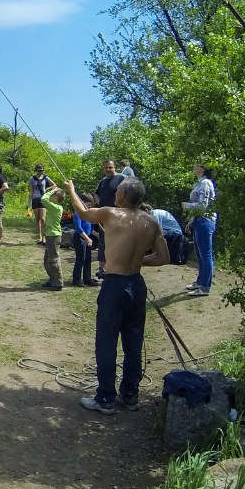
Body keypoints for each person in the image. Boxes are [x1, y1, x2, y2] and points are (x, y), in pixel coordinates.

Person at [67, 175, 169, 415]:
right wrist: (136, 260)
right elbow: (164, 257)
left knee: (107, 341)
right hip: (137, 284)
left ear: (122, 195)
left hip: (115, 286)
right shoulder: (151, 221)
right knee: (133, 342)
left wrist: (71, 189)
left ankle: (105, 398)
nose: (114, 195)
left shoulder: (111, 213)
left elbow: (83, 213)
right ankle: (130, 395)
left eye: (117, 192)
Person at [182, 164, 217, 297]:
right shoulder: (199, 183)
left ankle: (205, 287)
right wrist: (190, 222)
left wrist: (186, 205)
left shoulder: (206, 183)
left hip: (205, 221)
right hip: (199, 221)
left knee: (206, 255)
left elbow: (202, 206)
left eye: (197, 166)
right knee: (200, 255)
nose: (193, 167)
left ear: (202, 169)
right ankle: (200, 282)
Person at [92, 159, 121, 278]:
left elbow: (128, 194)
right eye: (106, 168)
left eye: (110, 167)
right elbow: (96, 194)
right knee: (103, 242)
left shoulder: (121, 179)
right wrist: (100, 205)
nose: (108, 170)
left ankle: (116, 267)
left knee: (117, 241)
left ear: (114, 168)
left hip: (117, 216)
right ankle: (101, 269)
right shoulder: (103, 181)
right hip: (104, 216)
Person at [39, 185, 66, 290]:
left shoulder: (56, 207)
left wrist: (53, 190)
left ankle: (58, 283)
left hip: (54, 236)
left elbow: (43, 199)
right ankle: (52, 279)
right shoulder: (55, 206)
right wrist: (50, 190)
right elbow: (45, 196)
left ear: (55, 198)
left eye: (53, 195)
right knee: (47, 260)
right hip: (50, 235)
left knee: (53, 260)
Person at [71, 194, 98, 286]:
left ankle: (87, 279)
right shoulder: (78, 213)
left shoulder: (88, 213)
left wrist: (97, 235)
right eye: (88, 204)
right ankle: (76, 280)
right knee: (81, 259)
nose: (89, 206)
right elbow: (79, 228)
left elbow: (90, 228)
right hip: (80, 238)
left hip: (88, 239)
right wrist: (87, 239)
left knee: (88, 259)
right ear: (82, 202)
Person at [29, 164, 56, 245]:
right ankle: (39, 237)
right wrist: (29, 202)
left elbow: (54, 185)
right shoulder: (32, 179)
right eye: (39, 170)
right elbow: (31, 190)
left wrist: (47, 189)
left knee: (43, 219)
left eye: (42, 170)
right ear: (36, 170)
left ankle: (44, 237)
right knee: (37, 219)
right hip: (35, 199)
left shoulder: (46, 178)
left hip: (44, 199)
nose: (41, 172)